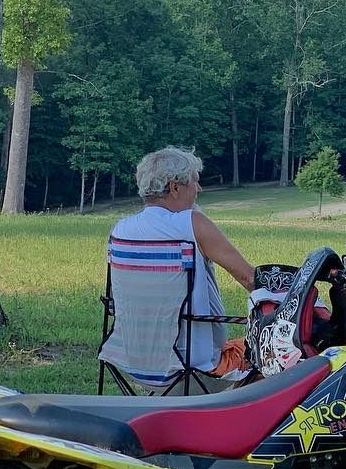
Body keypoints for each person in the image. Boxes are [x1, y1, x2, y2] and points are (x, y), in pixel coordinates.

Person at [109, 146, 256, 381]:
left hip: (132, 365)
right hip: (194, 368)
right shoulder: (192, 224)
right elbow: (249, 278)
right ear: (175, 187)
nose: (199, 189)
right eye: (195, 181)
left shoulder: (120, 230)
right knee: (281, 353)